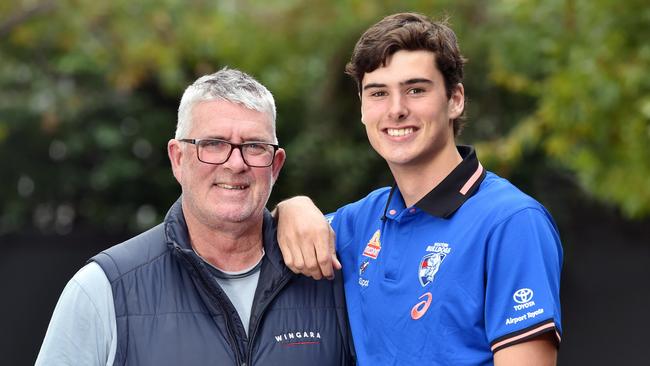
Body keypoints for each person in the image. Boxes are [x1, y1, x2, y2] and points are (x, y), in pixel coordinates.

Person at [275, 12, 562, 365]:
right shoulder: (358, 224)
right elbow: (270, 237)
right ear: (363, 109)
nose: (396, 110)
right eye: (378, 93)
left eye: (415, 90)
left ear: (455, 99)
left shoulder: (511, 221)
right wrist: (292, 207)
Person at [35, 68, 355, 366]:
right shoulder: (103, 289)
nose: (235, 164)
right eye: (213, 144)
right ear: (178, 158)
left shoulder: (333, 277)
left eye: (254, 146)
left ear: (275, 165)